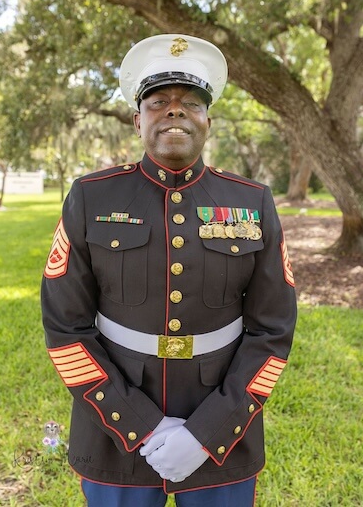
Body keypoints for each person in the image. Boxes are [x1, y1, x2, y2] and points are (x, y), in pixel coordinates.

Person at [41, 33, 297, 507]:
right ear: (138, 121)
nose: (175, 111)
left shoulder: (251, 202)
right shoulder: (91, 197)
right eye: (159, 102)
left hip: (223, 428)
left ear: (208, 121)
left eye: (191, 103)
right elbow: (66, 328)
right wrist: (137, 423)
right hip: (113, 431)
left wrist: (208, 432)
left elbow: (272, 332)